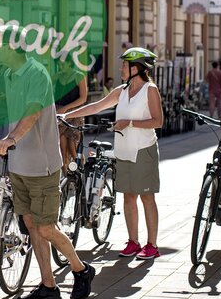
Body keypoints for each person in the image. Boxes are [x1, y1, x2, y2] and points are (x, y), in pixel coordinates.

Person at [0, 25, 95, 299]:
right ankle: (48, 286)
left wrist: (11, 138)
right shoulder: (9, 74)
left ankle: (81, 270)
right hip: (19, 164)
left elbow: (33, 114)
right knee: (31, 224)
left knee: (46, 227)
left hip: (42, 165)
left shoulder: (35, 73)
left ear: (12, 47)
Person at [61, 47, 164, 260]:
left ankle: (152, 245)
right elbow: (96, 107)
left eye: (125, 65)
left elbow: (158, 121)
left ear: (137, 68)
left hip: (144, 150)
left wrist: (130, 123)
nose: (121, 68)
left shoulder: (149, 90)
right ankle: (133, 242)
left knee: (146, 197)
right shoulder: (122, 91)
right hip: (124, 150)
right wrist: (66, 115)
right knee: (128, 197)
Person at [54, 57, 89, 171]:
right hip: (60, 114)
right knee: (61, 145)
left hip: (75, 113)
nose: (60, 67)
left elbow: (83, 98)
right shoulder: (57, 76)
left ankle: (80, 172)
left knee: (72, 146)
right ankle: (65, 175)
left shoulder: (79, 75)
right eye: (59, 65)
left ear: (70, 64)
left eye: (63, 64)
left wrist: (66, 108)